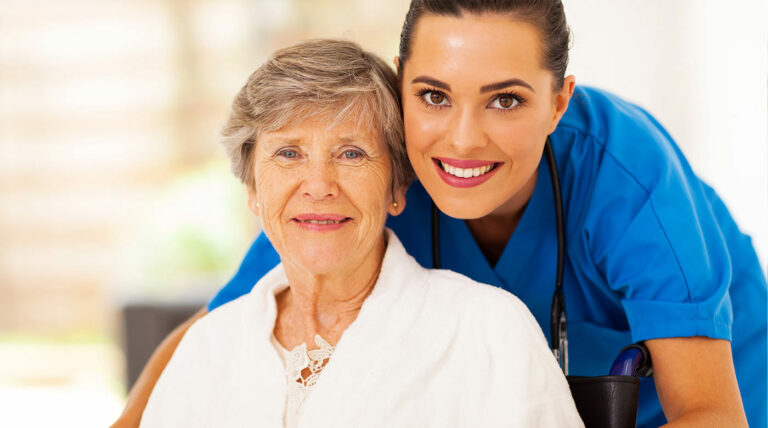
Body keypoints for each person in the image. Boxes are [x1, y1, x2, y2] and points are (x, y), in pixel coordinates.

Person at [114, 1, 766, 427]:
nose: (460, 140)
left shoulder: (626, 178)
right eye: (433, 95)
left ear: (560, 101)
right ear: (403, 83)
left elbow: (709, 410)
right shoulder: (364, 172)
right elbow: (230, 321)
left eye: (506, 101)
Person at [138, 39, 583, 427]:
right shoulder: (207, 349)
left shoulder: (488, 330)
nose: (318, 185)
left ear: (396, 188)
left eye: (351, 153)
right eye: (289, 153)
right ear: (253, 189)